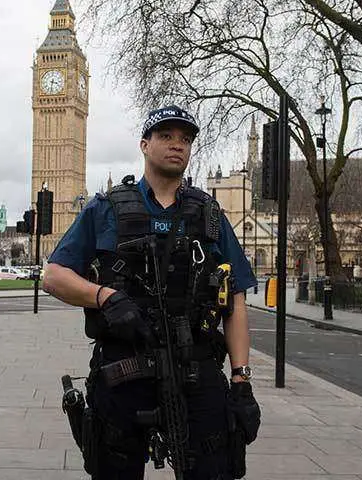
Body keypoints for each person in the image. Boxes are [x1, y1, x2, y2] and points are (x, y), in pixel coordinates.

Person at [43, 105, 261, 479]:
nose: (177, 145)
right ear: (144, 144)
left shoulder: (209, 214)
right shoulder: (106, 208)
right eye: (166, 136)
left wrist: (241, 378)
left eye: (185, 139)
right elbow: (53, 275)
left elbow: (235, 299)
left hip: (196, 367)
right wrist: (104, 297)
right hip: (124, 368)